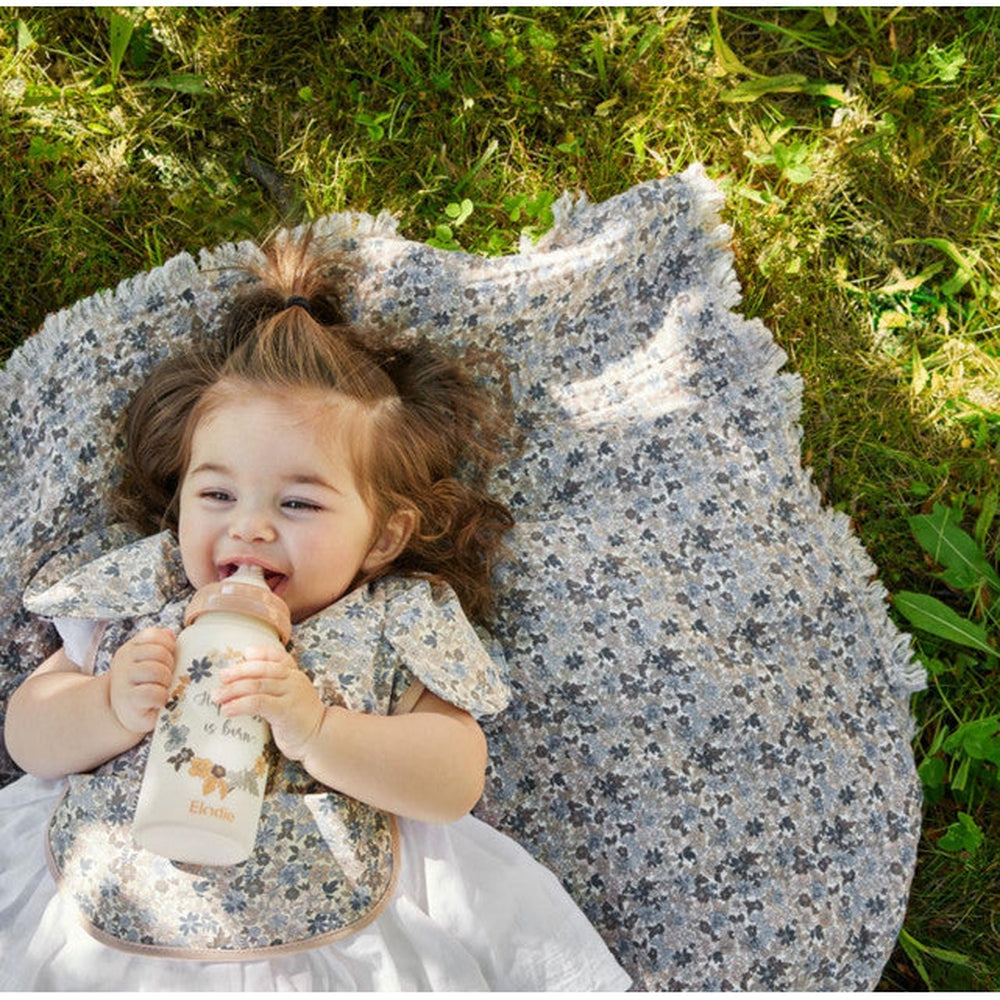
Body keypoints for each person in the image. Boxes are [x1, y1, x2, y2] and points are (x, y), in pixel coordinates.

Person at [0, 232, 631, 991]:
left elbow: (455, 776)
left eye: (298, 502)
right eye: (217, 495)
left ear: (383, 536)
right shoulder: (146, 596)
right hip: (105, 910)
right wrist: (105, 704)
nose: (250, 527)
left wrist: (320, 729)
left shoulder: (390, 624)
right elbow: (28, 736)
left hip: (334, 931)